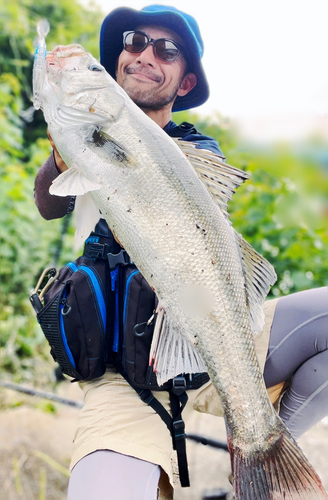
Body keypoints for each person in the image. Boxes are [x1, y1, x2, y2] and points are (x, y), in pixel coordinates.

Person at [34, 5, 328, 500]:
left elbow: (194, 218)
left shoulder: (197, 150)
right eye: (133, 41)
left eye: (166, 49)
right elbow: (49, 201)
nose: (145, 54)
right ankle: (240, 447)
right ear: (117, 62)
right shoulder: (87, 135)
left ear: (185, 82)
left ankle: (255, 444)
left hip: (213, 347)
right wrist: (63, 147)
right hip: (125, 381)